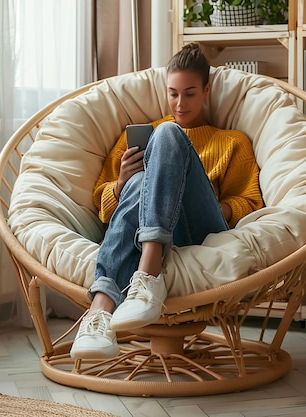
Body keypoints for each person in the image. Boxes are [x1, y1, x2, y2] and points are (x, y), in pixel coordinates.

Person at [70, 43, 264, 359]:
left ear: (206, 90)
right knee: (137, 179)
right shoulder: (135, 139)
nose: (180, 103)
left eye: (189, 93)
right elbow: (103, 208)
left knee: (169, 134)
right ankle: (100, 311)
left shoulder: (232, 142)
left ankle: (147, 274)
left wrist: (204, 195)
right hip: (145, 228)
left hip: (198, 228)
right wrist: (120, 184)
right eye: (173, 93)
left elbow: (252, 203)